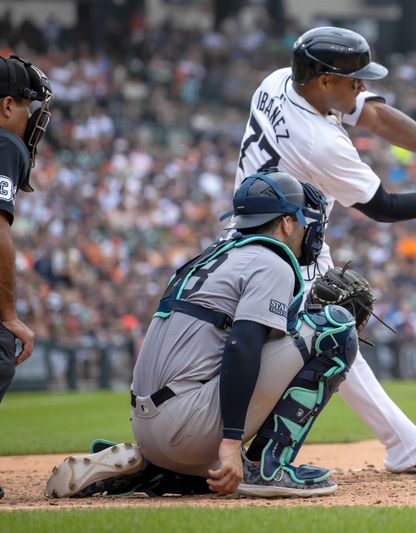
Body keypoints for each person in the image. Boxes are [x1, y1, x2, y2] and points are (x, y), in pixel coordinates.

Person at [235, 26, 416, 474]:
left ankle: (407, 446)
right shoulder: (320, 142)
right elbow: (383, 207)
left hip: (267, 237)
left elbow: (377, 117)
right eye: (354, 79)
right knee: (331, 340)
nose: (363, 86)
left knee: (334, 343)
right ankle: (244, 450)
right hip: (284, 253)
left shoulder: (278, 81)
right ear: (324, 80)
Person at [46, 170, 361, 499]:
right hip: (189, 425)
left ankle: (162, 471)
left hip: (148, 424)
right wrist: (231, 441)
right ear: (285, 222)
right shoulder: (272, 262)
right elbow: (242, 347)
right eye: (300, 219)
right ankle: (267, 468)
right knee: (335, 327)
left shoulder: (212, 256)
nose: (306, 229)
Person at [0, 55, 52, 500]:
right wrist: (10, 314)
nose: (32, 118)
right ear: (6, 107)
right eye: (27, 106)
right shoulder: (5, 144)